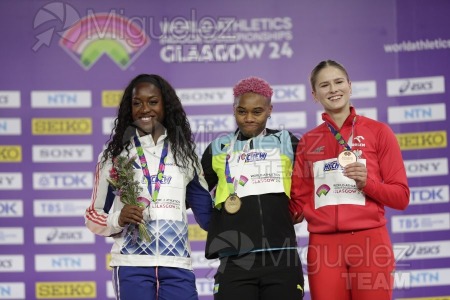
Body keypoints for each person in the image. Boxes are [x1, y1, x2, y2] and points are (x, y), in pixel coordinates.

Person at [85, 74, 213, 300]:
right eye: (137, 103)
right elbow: (93, 215)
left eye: (153, 102)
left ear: (165, 105)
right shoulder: (114, 156)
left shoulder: (186, 156)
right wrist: (118, 218)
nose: (145, 109)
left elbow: (207, 215)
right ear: (129, 108)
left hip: (177, 264)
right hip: (131, 264)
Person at [290, 59, 410, 300]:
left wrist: (369, 183)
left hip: (370, 244)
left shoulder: (379, 132)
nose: (333, 89)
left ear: (350, 86)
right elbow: (298, 203)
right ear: (315, 94)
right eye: (324, 85)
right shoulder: (308, 142)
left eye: (338, 82)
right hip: (324, 248)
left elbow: (401, 198)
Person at [201, 76, 304, 300]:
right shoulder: (218, 147)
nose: (248, 118)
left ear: (270, 110)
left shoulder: (286, 141)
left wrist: (302, 206)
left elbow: (310, 179)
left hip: (282, 256)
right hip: (235, 258)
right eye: (241, 111)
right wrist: (213, 221)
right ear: (234, 109)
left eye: (257, 112)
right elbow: (195, 192)